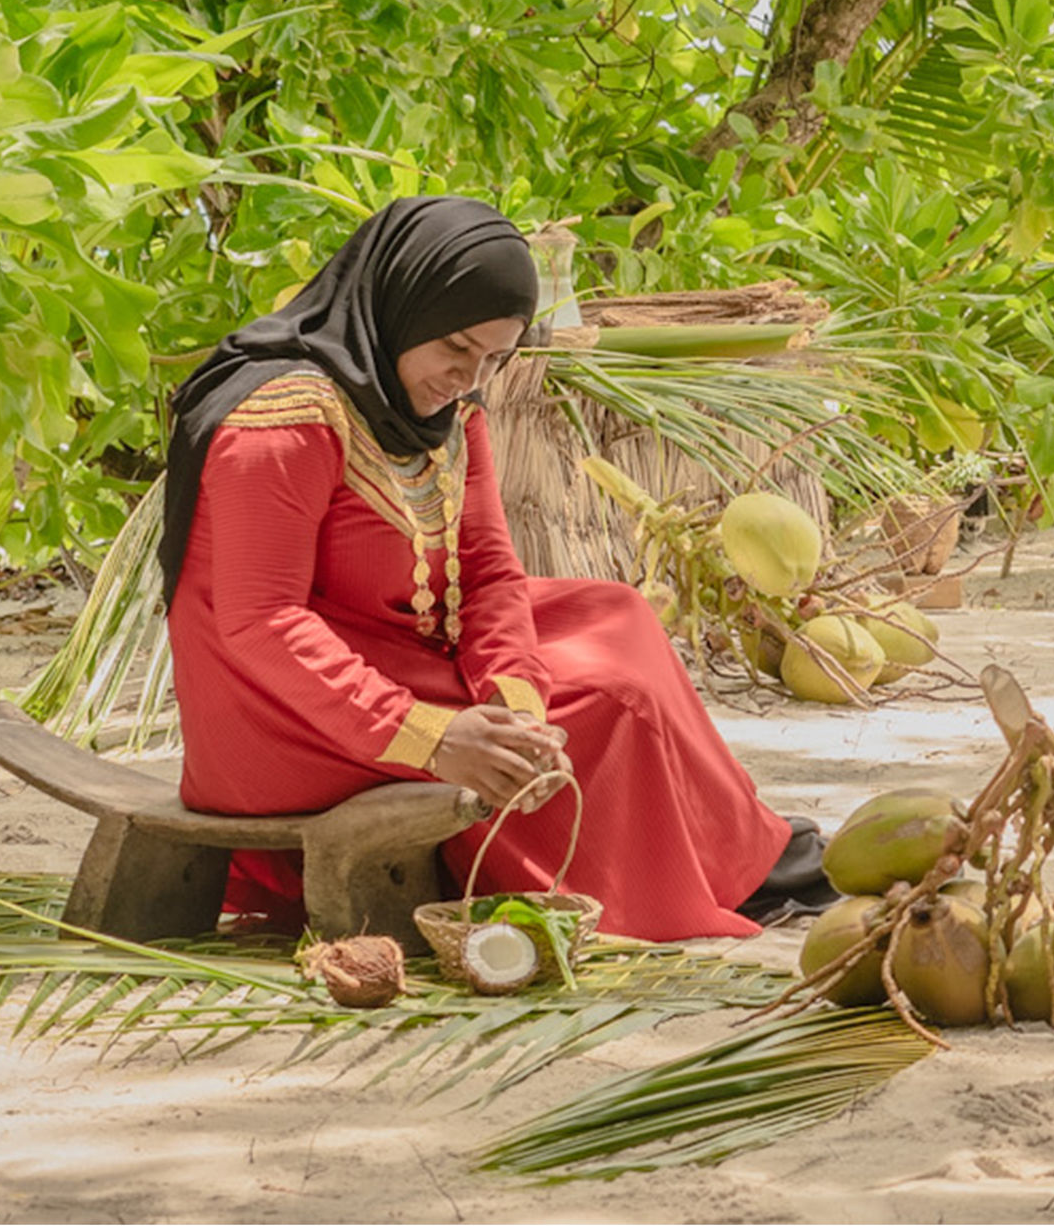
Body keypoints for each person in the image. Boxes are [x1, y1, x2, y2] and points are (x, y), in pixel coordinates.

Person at [159, 194, 832, 938]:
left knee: (617, 616)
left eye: (493, 358)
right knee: (609, 696)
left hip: (398, 642)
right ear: (403, 304)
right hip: (277, 715)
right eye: (456, 348)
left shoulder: (442, 408)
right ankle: (712, 877)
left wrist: (515, 701)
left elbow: (485, 569)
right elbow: (262, 625)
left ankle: (737, 853)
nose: (468, 376)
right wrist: (436, 737)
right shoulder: (283, 421)